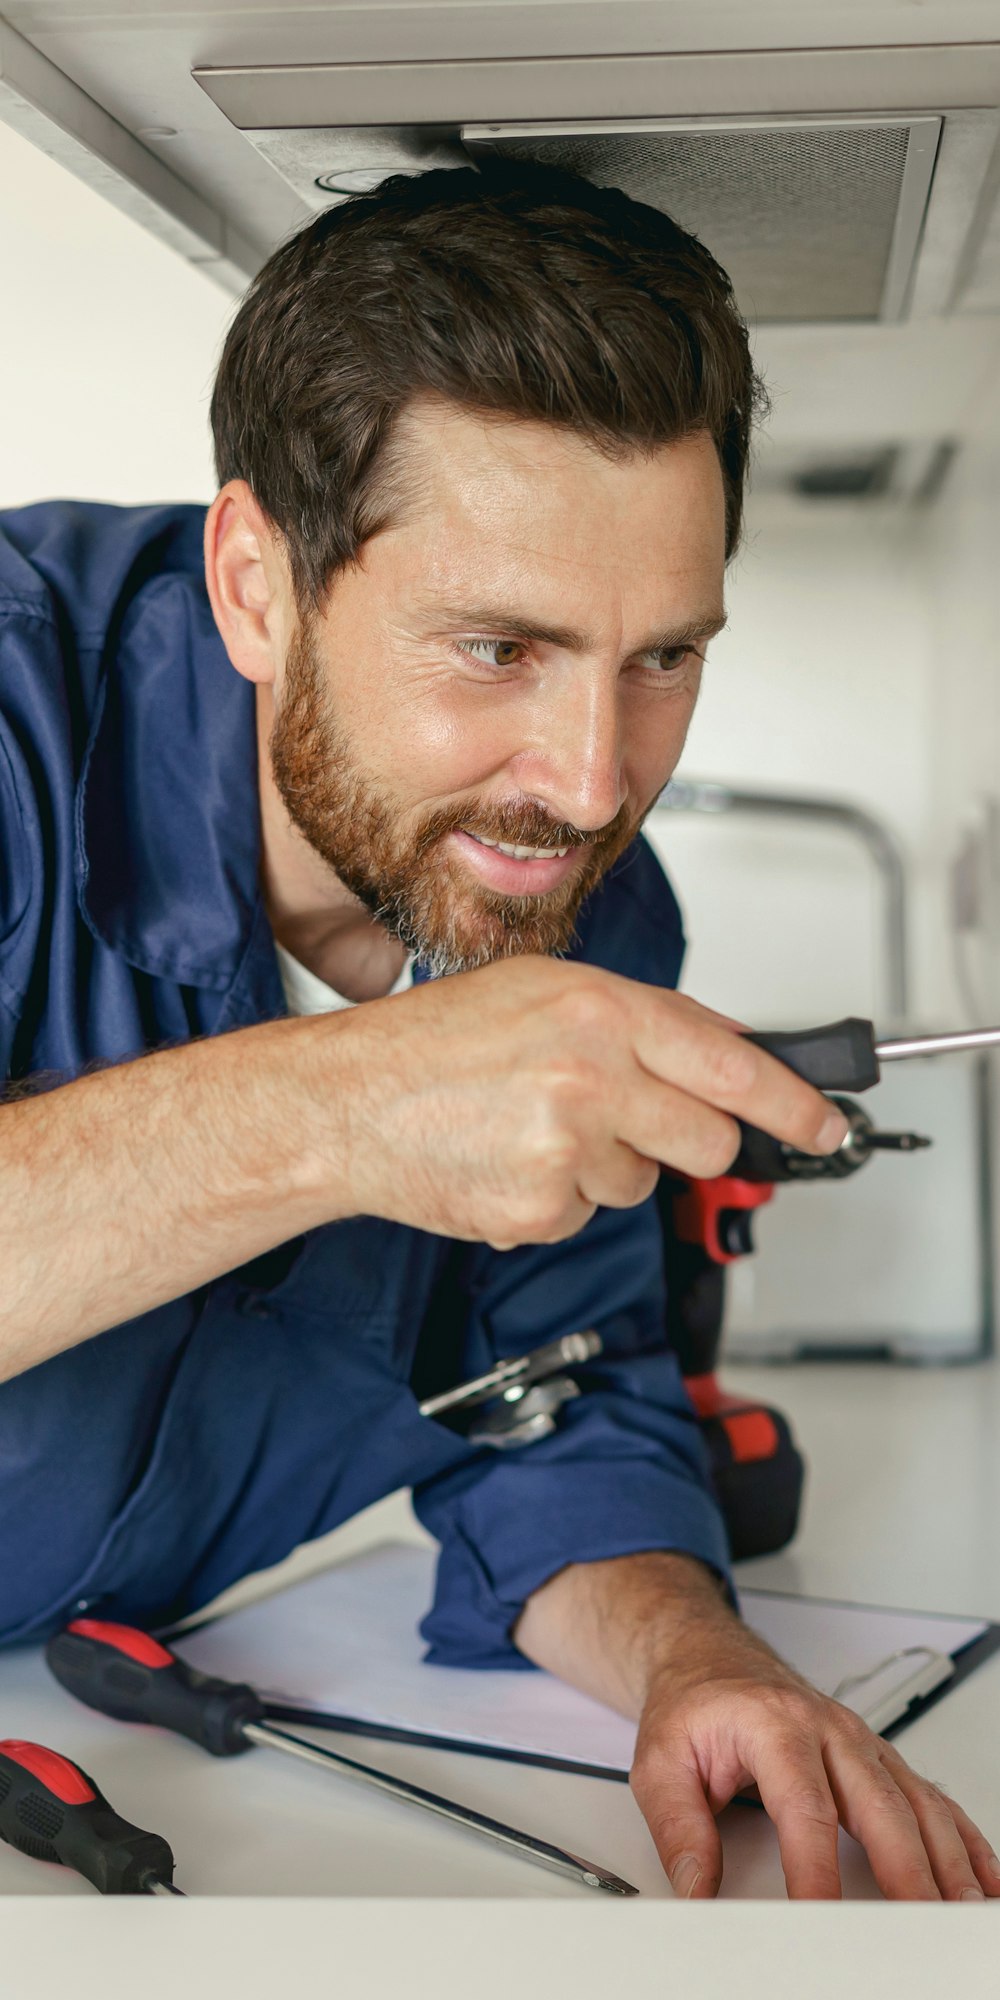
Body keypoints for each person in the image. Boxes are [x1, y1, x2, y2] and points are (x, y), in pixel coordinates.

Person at [0, 161, 995, 1905]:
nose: (595, 782)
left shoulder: (593, 904)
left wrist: (696, 1659)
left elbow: (557, 1408)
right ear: (256, 583)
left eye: (665, 657)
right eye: (497, 647)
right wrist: (343, 1109)